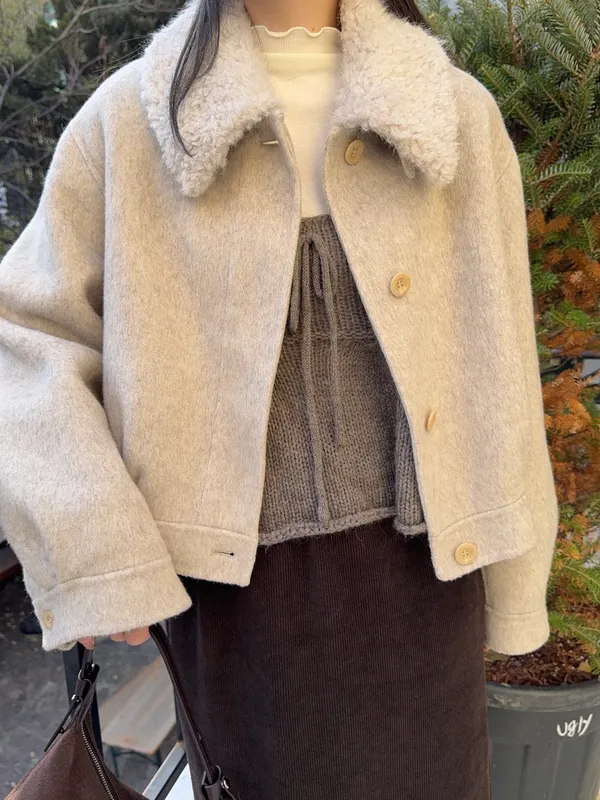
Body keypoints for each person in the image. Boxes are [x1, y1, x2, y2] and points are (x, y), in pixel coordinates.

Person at [0, 0, 560, 797]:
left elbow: (503, 355)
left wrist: (515, 581)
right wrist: (96, 552)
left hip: (429, 590)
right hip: (235, 613)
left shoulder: (452, 113)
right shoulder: (130, 124)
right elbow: (22, 344)